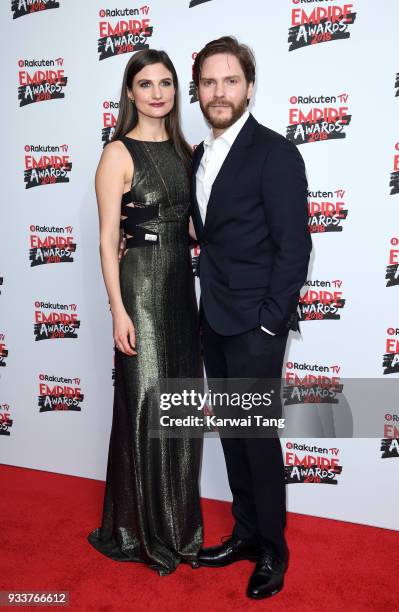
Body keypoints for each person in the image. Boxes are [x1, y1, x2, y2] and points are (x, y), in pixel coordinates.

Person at [190, 37, 312, 598]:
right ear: (198, 91)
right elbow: (209, 233)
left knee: (258, 440)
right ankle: (244, 533)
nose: (220, 91)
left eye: (230, 80)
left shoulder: (275, 152)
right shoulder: (199, 155)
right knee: (233, 436)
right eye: (209, 82)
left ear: (249, 87)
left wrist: (269, 324)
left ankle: (273, 551)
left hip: (255, 327)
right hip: (212, 318)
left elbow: (295, 250)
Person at [88, 49, 203, 576]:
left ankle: (180, 529)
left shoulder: (186, 151)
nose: (157, 93)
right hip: (140, 288)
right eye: (146, 84)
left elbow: (194, 227)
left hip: (181, 289)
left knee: (180, 405)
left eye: (166, 83)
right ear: (130, 92)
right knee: (147, 405)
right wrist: (118, 310)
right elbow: (108, 239)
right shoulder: (118, 152)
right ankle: (142, 530)